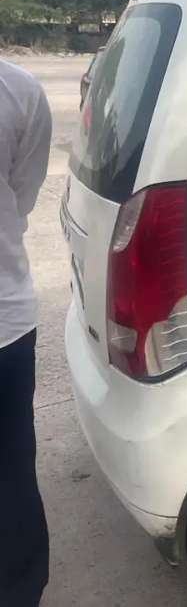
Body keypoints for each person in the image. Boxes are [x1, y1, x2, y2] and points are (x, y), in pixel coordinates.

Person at [0, 58, 52, 607]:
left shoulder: (20, 89)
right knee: (11, 472)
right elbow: (22, 194)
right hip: (6, 323)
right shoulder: (18, 89)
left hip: (6, 327)